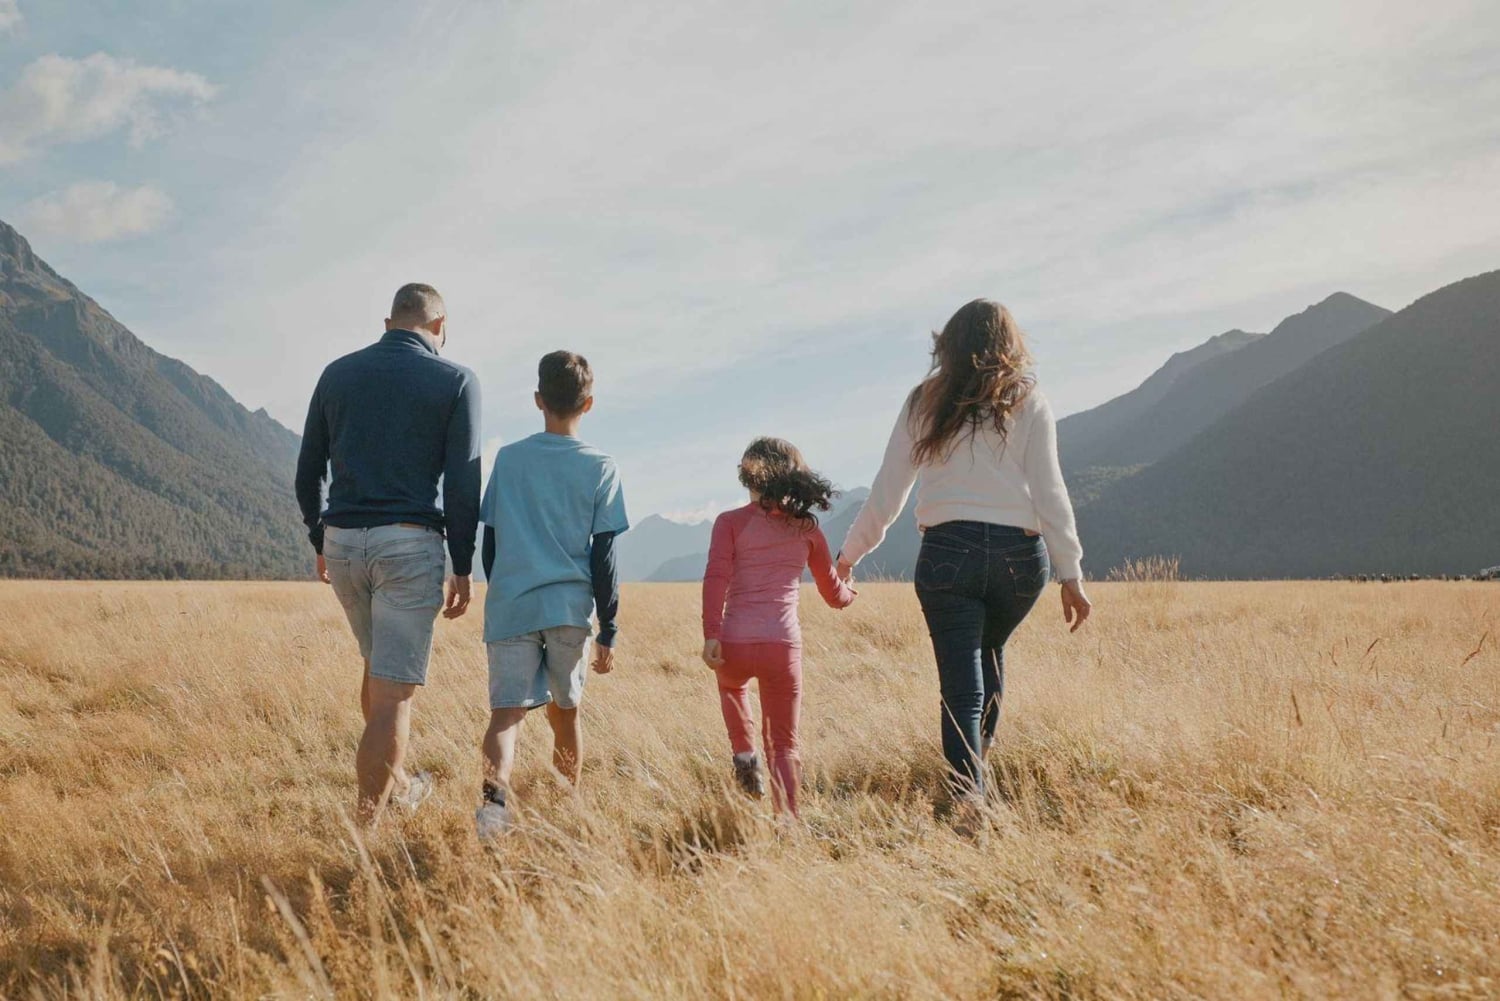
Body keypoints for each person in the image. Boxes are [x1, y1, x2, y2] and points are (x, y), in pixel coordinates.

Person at [836, 298, 1091, 825]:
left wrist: (850, 554)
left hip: (948, 555)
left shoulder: (924, 401)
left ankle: (968, 796)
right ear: (1009, 343)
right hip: (1020, 560)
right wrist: (1071, 573)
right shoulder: (1028, 399)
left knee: (962, 682)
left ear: (947, 344)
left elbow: (888, 491)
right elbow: (1050, 490)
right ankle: (977, 777)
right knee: (989, 651)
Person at [294, 283, 481, 827]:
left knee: (379, 670)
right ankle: (365, 832)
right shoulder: (455, 379)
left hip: (344, 543)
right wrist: (463, 565)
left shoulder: (337, 373)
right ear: (440, 326)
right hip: (408, 542)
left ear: (388, 322)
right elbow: (463, 483)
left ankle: (398, 786)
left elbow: (308, 471)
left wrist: (318, 539)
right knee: (395, 693)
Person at [474, 351, 628, 839]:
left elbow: (490, 542)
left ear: (538, 399)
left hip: (512, 605)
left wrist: (504, 590)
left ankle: (493, 813)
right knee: (566, 715)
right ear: (590, 402)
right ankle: (565, 813)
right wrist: (609, 626)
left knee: (506, 716)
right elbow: (603, 556)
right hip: (568, 610)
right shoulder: (601, 466)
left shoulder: (511, 458)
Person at [701, 438, 857, 817]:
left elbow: (716, 577)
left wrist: (711, 634)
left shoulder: (729, 523)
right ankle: (787, 820)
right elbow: (834, 595)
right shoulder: (806, 529)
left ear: (747, 477)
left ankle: (743, 754)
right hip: (782, 647)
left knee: (732, 685)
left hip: (734, 642)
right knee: (784, 745)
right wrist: (851, 590)